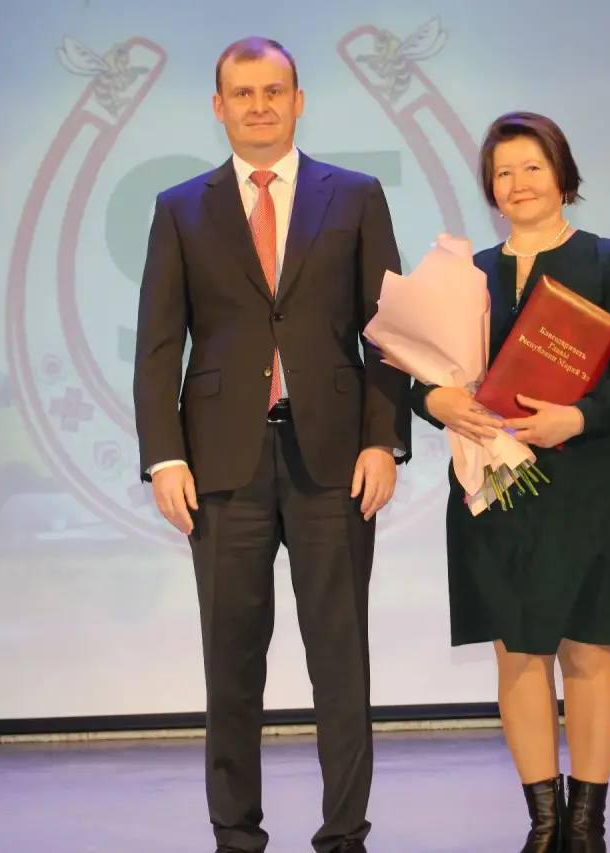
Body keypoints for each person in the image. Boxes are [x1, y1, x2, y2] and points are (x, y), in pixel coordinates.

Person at [132, 37, 410, 853]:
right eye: (244, 93)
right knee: (231, 665)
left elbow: (387, 334)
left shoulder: (354, 195)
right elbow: (159, 345)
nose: (260, 105)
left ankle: (345, 836)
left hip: (333, 460)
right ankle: (235, 835)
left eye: (274, 90)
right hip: (223, 463)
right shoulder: (180, 208)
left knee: (341, 660)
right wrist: (164, 455)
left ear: (298, 101)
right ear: (219, 106)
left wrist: (383, 440)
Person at [411, 112, 610, 853]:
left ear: (563, 175)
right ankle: (544, 822)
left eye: (532, 167)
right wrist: (434, 401)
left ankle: (586, 826)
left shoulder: (606, 259)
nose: (518, 183)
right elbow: (420, 369)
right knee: (519, 652)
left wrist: (580, 417)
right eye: (503, 172)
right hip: (496, 486)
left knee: (589, 647)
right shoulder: (468, 275)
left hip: (590, 479)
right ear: (489, 188)